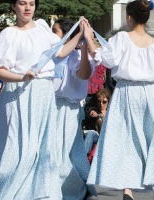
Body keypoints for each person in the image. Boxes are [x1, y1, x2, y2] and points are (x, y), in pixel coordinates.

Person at [0, 0, 85, 199]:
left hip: (44, 92)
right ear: (14, 6)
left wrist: (80, 32)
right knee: (17, 144)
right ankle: (9, 191)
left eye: (31, 3)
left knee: (43, 146)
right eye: (22, 3)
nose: (28, 7)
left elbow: (61, 52)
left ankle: (43, 191)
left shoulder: (41, 27)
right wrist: (23, 76)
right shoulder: (8, 34)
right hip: (18, 93)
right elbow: (1, 72)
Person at [86, 1, 154, 199]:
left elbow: (107, 60)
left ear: (129, 17)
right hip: (149, 92)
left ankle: (128, 190)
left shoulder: (121, 38)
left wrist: (89, 37)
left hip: (126, 92)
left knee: (125, 139)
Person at [51, 18, 96, 199]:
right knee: (52, 151)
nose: (51, 34)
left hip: (68, 109)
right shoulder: (53, 53)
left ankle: (75, 188)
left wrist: (84, 47)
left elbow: (84, 74)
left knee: (65, 152)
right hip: (51, 106)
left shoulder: (78, 55)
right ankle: (54, 188)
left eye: (55, 31)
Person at [83, 88, 112, 163]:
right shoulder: (94, 111)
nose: (101, 104)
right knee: (91, 133)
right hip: (97, 136)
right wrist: (92, 112)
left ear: (108, 102)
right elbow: (88, 110)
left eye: (104, 102)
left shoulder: (111, 112)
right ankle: (84, 159)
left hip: (109, 137)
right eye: (99, 101)